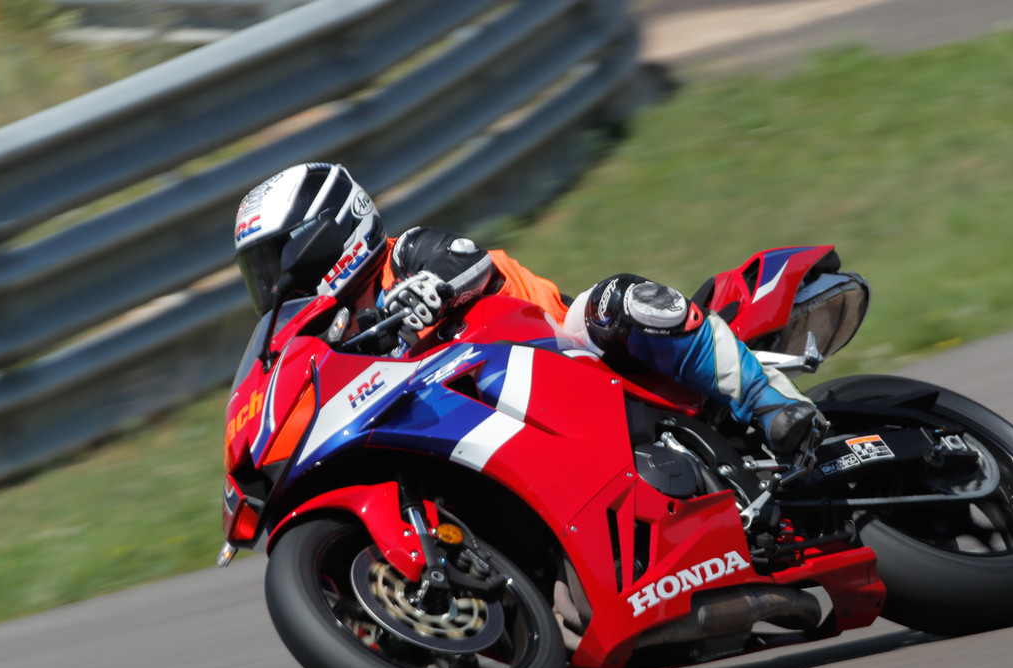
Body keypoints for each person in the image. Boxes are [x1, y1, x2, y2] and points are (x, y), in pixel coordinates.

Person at [233, 162, 824, 456]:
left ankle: (772, 403)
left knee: (612, 301)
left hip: (567, 352)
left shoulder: (405, 254)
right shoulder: (338, 341)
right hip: (507, 426)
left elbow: (469, 262)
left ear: (328, 238)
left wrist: (428, 289)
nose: (278, 285)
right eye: (261, 274)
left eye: (281, 264)